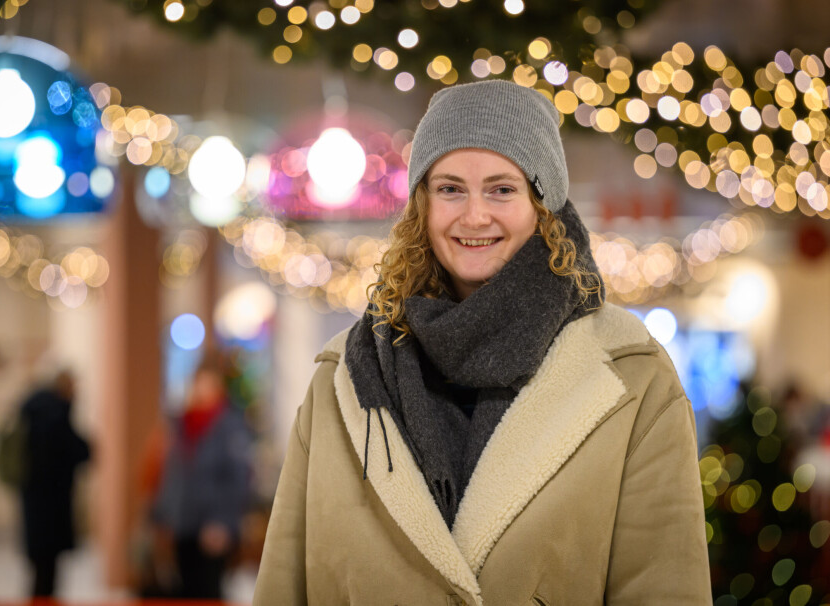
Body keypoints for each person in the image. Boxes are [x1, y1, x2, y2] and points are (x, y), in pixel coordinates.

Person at [253, 80, 712, 605]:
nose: (474, 216)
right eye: (450, 188)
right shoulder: (345, 380)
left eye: (502, 189)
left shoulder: (634, 381)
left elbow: (664, 590)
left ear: (545, 205)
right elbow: (283, 587)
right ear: (422, 206)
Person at [149, 353, 252, 599]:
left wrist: (223, 522)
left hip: (212, 528)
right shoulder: (182, 423)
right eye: (198, 383)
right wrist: (160, 517)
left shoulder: (229, 425)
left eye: (208, 384)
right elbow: (171, 475)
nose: (202, 390)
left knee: (208, 592)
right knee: (184, 592)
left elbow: (239, 479)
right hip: (182, 524)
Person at [19, 367, 90, 598]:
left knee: (41, 569)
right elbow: (70, 451)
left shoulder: (34, 410)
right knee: (46, 573)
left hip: (35, 502)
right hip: (51, 504)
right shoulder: (55, 414)